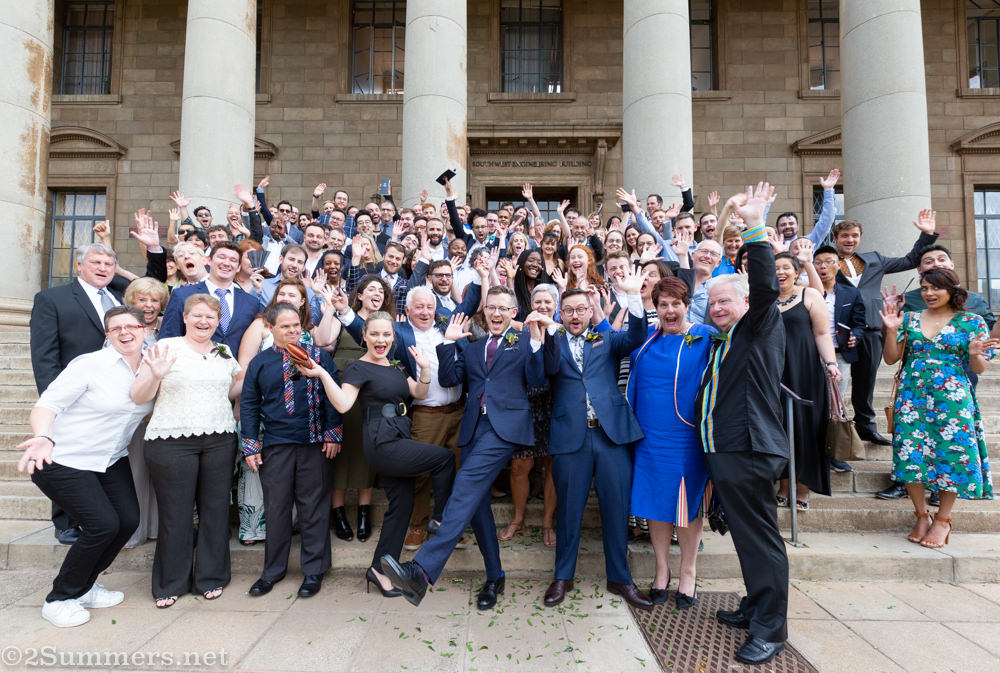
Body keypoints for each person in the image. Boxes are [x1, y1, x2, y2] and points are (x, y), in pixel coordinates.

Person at [380, 287, 550, 609]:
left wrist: (537, 341)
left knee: (466, 484)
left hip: (505, 428)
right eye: (491, 308)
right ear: (483, 312)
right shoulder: (472, 347)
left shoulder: (525, 341)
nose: (497, 314)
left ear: (513, 312)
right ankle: (495, 576)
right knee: (477, 506)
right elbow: (448, 380)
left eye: (504, 308)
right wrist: (448, 342)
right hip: (472, 429)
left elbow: (538, 380)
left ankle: (421, 570)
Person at [296, 311, 456, 597]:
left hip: (399, 433)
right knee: (443, 458)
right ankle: (441, 518)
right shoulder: (358, 368)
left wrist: (424, 368)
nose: (381, 339)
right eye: (375, 334)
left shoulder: (395, 366)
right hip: (382, 441)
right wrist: (321, 373)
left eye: (386, 334)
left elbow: (418, 393)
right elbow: (344, 404)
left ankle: (379, 571)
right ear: (365, 336)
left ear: (393, 337)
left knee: (402, 506)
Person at [696, 183, 789, 665]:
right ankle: (755, 606)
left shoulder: (759, 323)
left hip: (751, 450)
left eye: (724, 303)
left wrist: (753, 228)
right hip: (726, 451)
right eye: (712, 304)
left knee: (761, 540)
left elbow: (768, 286)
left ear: (745, 303)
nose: (717, 309)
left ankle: (771, 629)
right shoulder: (723, 340)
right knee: (749, 539)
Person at [17, 307, 153, 627]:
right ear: (107, 335)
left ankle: (85, 586)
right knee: (103, 524)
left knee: (128, 521)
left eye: (131, 325)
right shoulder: (91, 365)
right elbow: (47, 405)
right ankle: (60, 598)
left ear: (145, 329)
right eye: (114, 328)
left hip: (109, 458)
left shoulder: (151, 367)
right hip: (63, 457)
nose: (124, 332)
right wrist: (44, 436)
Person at [31, 230, 165, 544]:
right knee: (66, 456)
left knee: (104, 463)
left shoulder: (120, 293)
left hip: (123, 386)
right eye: (96, 262)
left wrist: (154, 247)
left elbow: (153, 288)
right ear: (80, 265)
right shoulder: (53, 299)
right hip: (78, 392)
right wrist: (57, 404)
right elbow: (44, 356)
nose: (103, 267)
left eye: (108, 262)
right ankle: (65, 521)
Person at [541, 266, 651, 610]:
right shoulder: (551, 340)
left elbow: (636, 337)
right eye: (568, 310)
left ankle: (620, 578)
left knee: (616, 510)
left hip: (611, 437)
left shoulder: (605, 338)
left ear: (591, 313)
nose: (575, 315)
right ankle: (563, 576)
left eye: (581, 310)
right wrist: (538, 335)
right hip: (569, 438)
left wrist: (633, 296)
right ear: (561, 314)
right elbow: (537, 374)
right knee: (569, 511)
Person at [131, 294, 243, 608]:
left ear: (218, 321)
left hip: (220, 439)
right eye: (198, 316)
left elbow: (231, 386)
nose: (204, 322)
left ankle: (211, 577)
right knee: (176, 515)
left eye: (210, 317)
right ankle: (170, 583)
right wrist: (154, 374)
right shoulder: (164, 348)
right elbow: (139, 396)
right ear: (185, 317)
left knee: (215, 511)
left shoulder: (224, 352)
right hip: (170, 441)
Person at [880, 269, 998, 549]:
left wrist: (973, 355)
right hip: (912, 398)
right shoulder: (908, 318)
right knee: (910, 455)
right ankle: (921, 515)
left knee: (951, 456)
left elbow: (979, 367)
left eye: (935, 288)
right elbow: (890, 359)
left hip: (953, 400)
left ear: (952, 290)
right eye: (924, 288)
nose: (929, 294)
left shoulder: (972, 322)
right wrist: (891, 328)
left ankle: (943, 520)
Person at [240, 303, 343, 598]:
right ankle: (272, 571)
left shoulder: (320, 357)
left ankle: (313, 572)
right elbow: (249, 404)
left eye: (296, 325)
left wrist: (333, 433)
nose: (293, 330)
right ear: (271, 329)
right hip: (276, 446)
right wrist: (250, 443)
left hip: (315, 444)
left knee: (314, 509)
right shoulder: (260, 363)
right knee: (276, 510)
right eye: (285, 326)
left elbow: (332, 393)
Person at [626, 278, 715, 608]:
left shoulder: (704, 337)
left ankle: (688, 572)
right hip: (648, 437)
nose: (669, 310)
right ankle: (661, 571)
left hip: (686, 437)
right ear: (656, 308)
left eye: (675, 303)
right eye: (663, 304)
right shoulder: (647, 339)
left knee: (686, 505)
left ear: (687, 304)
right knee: (654, 503)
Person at [833, 209, 938, 446]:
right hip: (838, 328)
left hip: (870, 326)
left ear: (860, 237)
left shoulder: (874, 259)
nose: (850, 239)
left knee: (866, 380)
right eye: (845, 236)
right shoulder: (827, 261)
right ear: (836, 238)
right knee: (835, 380)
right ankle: (835, 428)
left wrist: (927, 235)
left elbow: (910, 260)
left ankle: (865, 427)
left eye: (854, 235)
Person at [772, 252, 841, 510]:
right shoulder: (763, 298)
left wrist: (831, 364)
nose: (780, 272)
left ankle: (804, 487)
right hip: (773, 371)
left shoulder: (809, 295)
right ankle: (784, 483)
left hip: (805, 370)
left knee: (807, 427)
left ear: (796, 271)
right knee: (779, 426)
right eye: (775, 268)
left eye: (786, 268)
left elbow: (822, 333)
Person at [499, 284, 559, 547]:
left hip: (555, 406)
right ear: (529, 305)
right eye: (538, 302)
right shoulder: (517, 334)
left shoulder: (563, 332)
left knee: (551, 466)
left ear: (555, 307)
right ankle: (518, 518)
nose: (542, 307)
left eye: (548, 302)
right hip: (525, 406)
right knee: (519, 466)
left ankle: (547, 521)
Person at [122, 278, 170, 549]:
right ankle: (135, 531)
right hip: (138, 412)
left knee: (158, 475)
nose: (149, 305)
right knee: (137, 471)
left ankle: (154, 527)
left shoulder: (166, 329)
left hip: (165, 410)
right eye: (142, 300)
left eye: (154, 300)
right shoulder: (125, 329)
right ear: (132, 301)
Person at [159, 241, 259, 354]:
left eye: (233, 260)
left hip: (235, 369)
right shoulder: (182, 295)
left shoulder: (251, 302)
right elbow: (167, 339)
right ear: (209, 261)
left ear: (238, 267)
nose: (226, 263)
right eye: (221, 257)